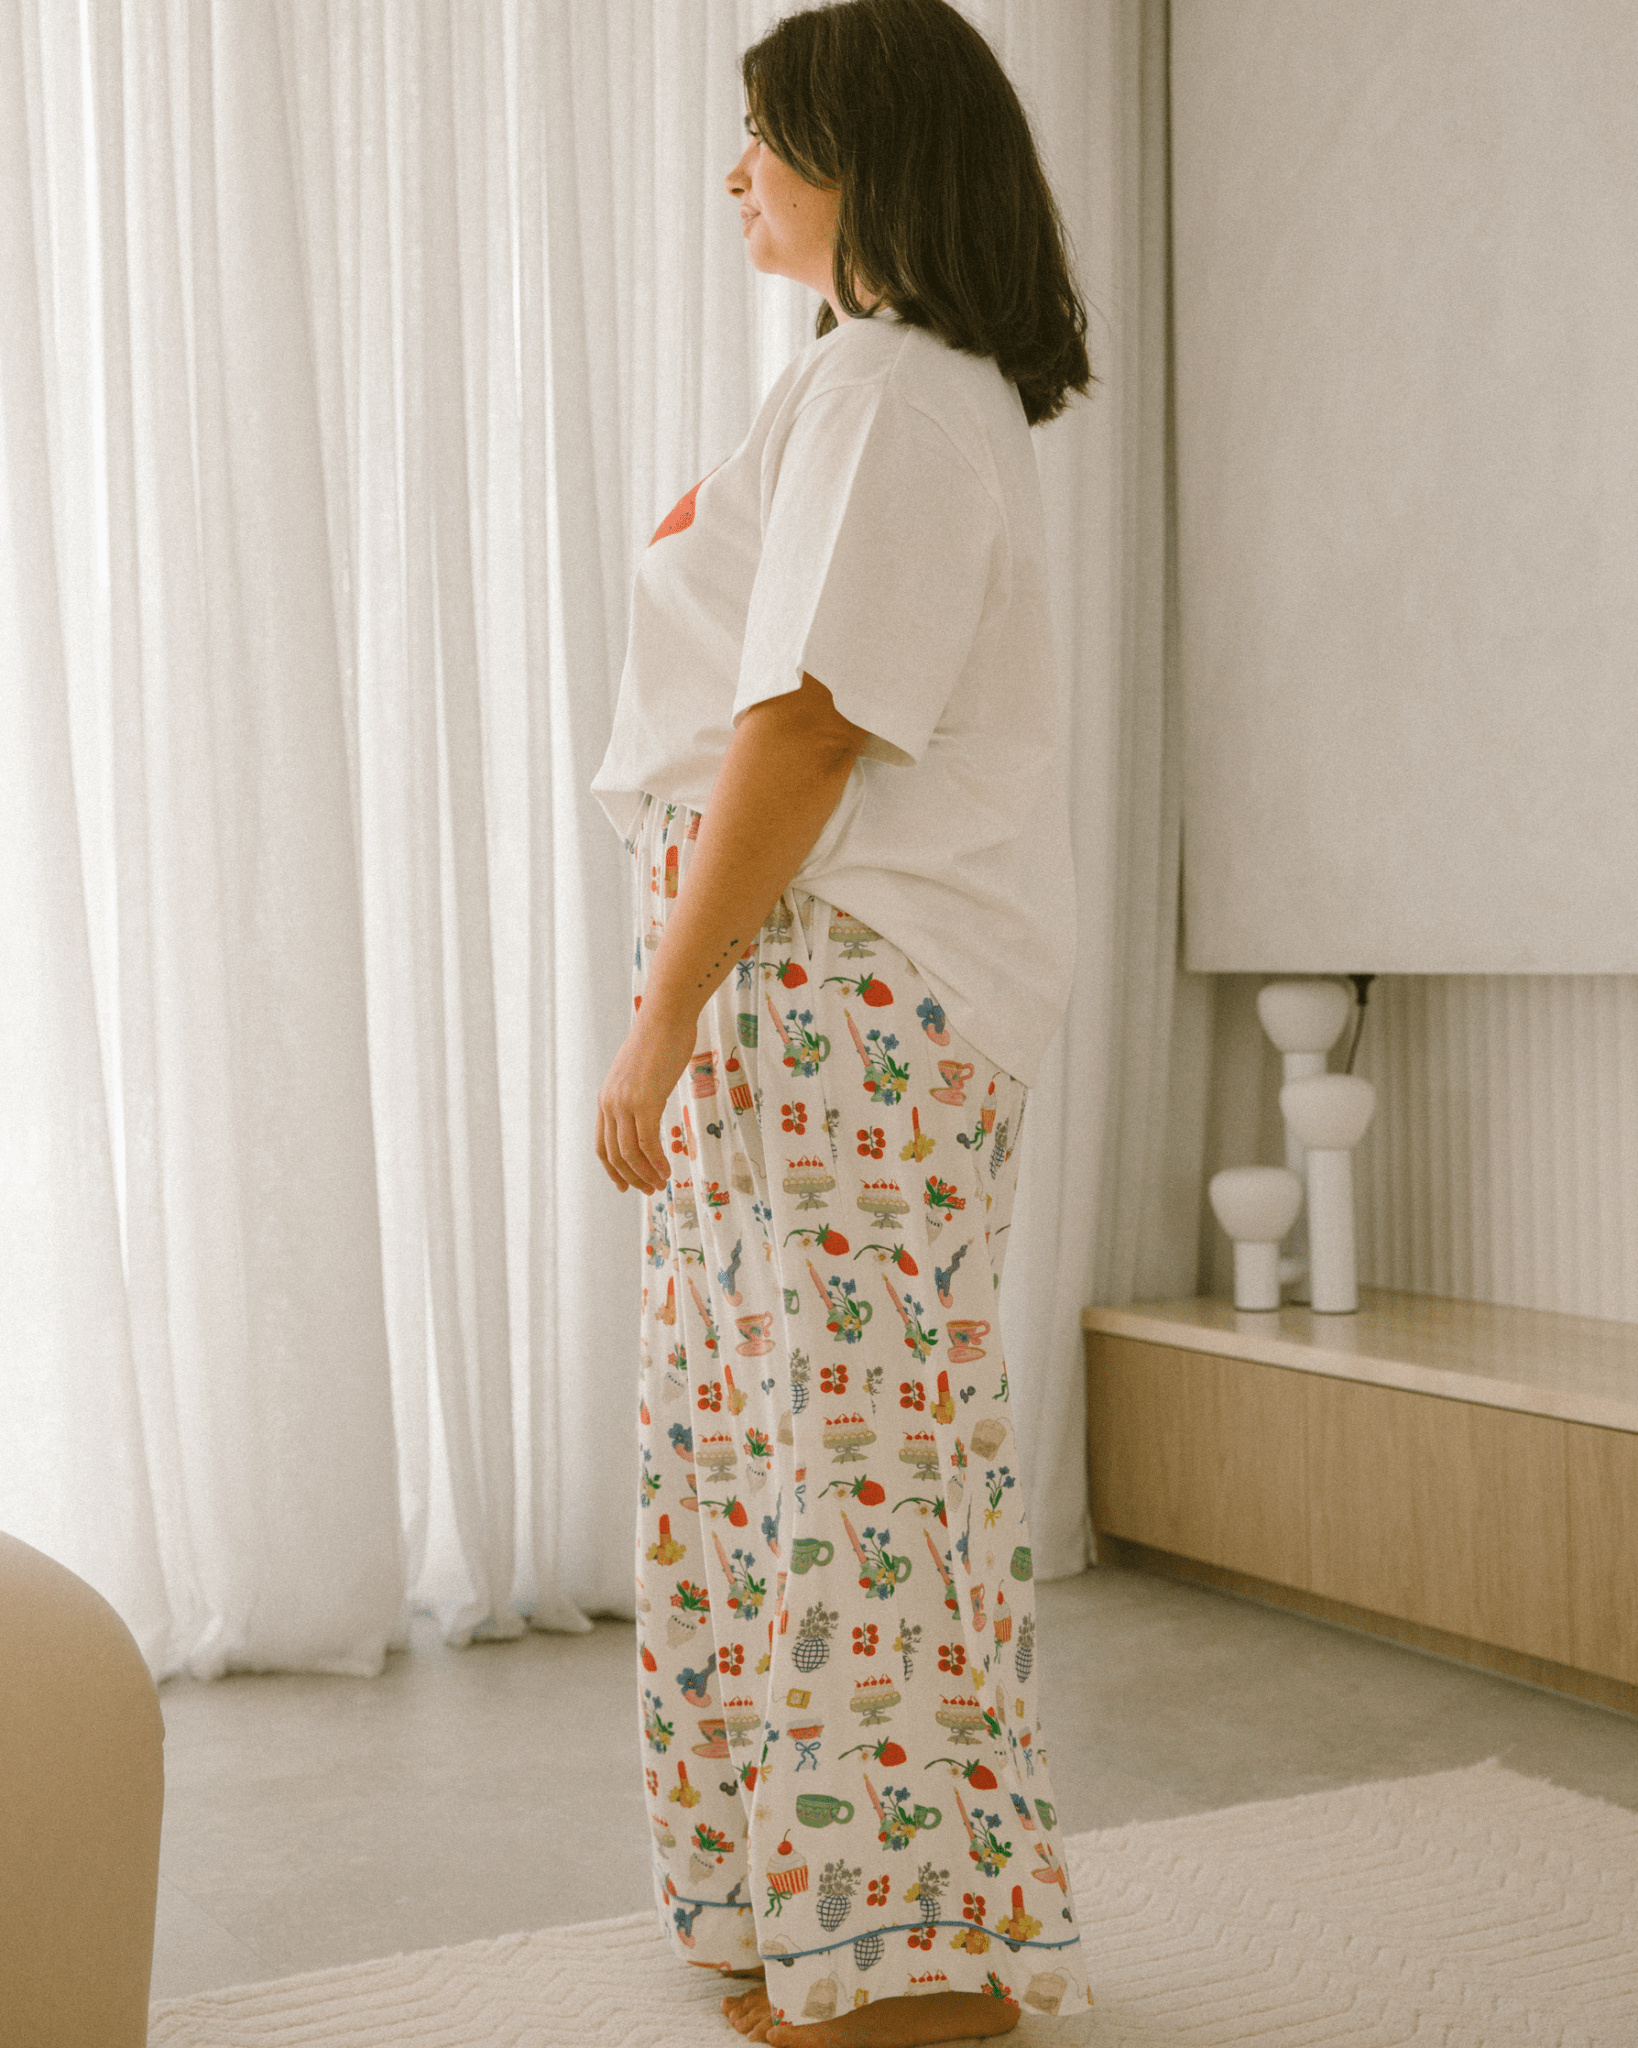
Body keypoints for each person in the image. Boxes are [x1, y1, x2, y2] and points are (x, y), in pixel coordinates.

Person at [590, 2, 1095, 2040]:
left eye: (765, 133)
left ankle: (901, 1961)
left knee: (845, 1467)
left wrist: (656, 1024)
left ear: (867, 152)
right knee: (787, 1454)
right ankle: (813, 1918)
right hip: (807, 989)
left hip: (840, 988)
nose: (734, 170)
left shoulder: (894, 392)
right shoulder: (864, 382)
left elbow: (805, 728)